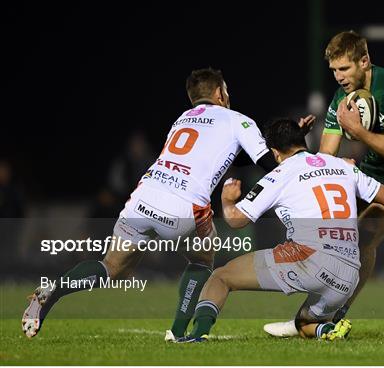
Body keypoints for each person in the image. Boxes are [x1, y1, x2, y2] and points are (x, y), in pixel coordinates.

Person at [22, 68, 313, 340]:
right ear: (220, 94)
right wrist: (293, 142)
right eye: (226, 90)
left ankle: (53, 291)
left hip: (143, 197)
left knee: (110, 267)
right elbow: (268, 164)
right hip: (183, 206)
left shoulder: (182, 119)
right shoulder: (237, 119)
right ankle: (176, 332)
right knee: (202, 261)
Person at [174, 119, 384, 342]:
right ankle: (327, 327)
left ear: (275, 153)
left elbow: (237, 220)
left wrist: (227, 202)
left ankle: (197, 336)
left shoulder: (280, 173)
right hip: (348, 273)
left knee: (221, 277)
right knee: (304, 324)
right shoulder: (342, 165)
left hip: (307, 259)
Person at [264, 31, 384, 337]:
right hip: (373, 170)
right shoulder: (340, 99)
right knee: (331, 233)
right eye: (334, 70)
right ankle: (311, 317)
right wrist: (297, 144)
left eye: (344, 69)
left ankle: (328, 317)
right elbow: (326, 157)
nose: (339, 77)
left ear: (364, 61)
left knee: (364, 234)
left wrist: (357, 131)